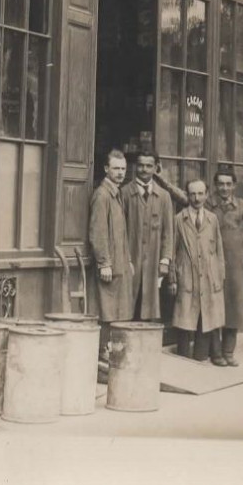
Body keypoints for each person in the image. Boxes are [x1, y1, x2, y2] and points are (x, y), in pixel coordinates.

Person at [207, 167, 243, 366]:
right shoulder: (208, 203)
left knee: (233, 306)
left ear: (234, 186)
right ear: (215, 185)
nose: (224, 188)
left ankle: (229, 352)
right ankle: (215, 353)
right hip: (212, 260)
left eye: (228, 184)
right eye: (220, 184)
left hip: (234, 263)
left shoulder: (240, 205)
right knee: (214, 306)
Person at [169, 179, 226, 362]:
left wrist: (220, 275)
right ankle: (183, 358)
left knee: (207, 316)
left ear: (206, 195)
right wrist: (172, 278)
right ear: (187, 195)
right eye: (193, 194)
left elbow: (218, 249)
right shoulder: (179, 219)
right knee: (185, 316)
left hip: (209, 274)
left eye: (201, 194)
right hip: (186, 273)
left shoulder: (212, 219)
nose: (197, 198)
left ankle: (201, 356)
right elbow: (171, 250)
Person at [88, 149, 133, 359]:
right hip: (109, 265)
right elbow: (98, 232)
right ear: (106, 169)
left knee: (116, 310)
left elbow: (121, 234)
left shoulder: (116, 193)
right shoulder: (102, 195)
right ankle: (101, 353)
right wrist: (104, 262)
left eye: (123, 168)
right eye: (116, 168)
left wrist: (128, 260)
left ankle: (110, 353)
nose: (120, 172)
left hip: (119, 263)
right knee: (106, 310)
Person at [121, 148, 174, 322]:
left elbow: (168, 232)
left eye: (149, 166)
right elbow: (120, 230)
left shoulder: (164, 196)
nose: (144, 170)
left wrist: (165, 260)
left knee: (149, 307)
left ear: (156, 167)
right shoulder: (124, 193)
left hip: (153, 260)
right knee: (128, 305)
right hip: (130, 258)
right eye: (141, 165)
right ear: (135, 166)